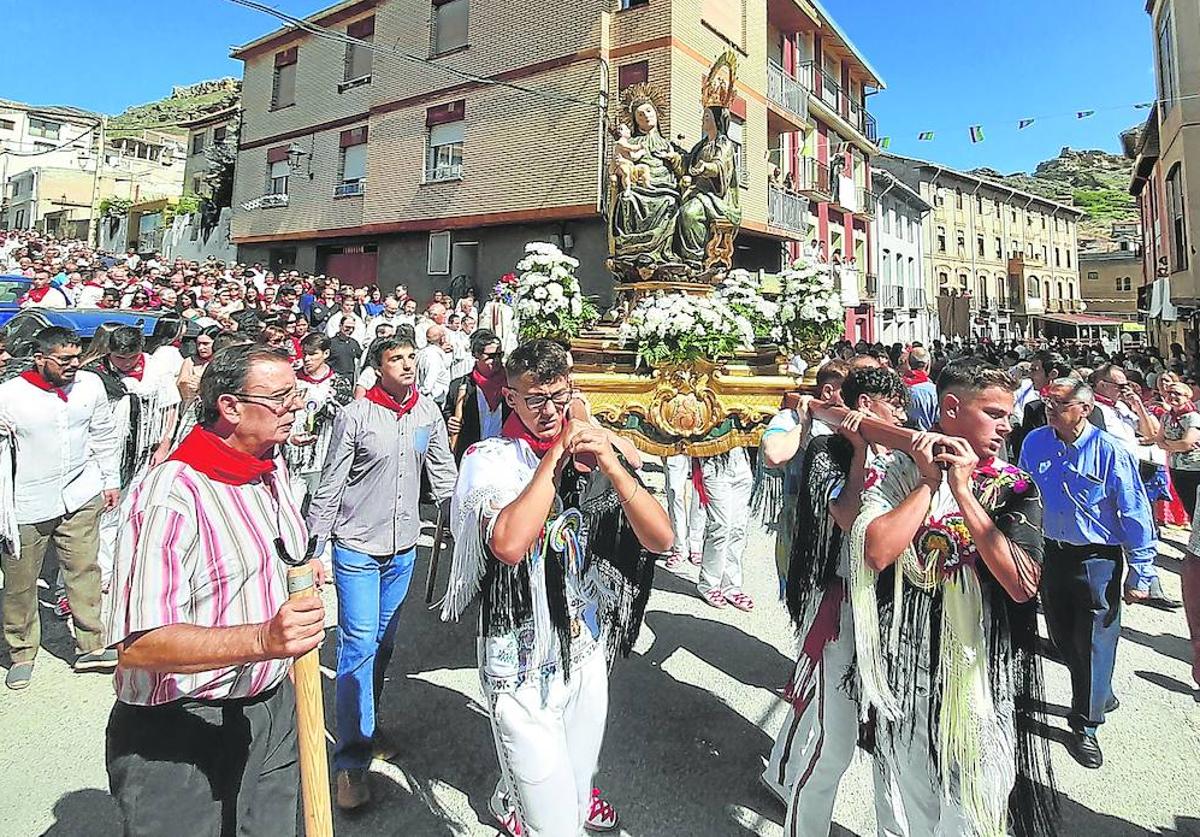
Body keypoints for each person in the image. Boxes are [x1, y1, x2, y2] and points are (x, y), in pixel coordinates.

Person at [440, 339, 672, 837]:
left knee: (577, 778)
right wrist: (554, 458)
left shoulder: (592, 449)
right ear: (512, 399)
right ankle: (521, 805)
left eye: (558, 397)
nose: (549, 411)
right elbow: (509, 543)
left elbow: (661, 538)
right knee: (555, 825)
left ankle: (530, 798)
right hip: (519, 655)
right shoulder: (489, 458)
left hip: (583, 646)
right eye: (535, 399)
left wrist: (611, 462)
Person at [105, 343, 325, 837]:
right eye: (280, 398)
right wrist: (264, 640)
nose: (296, 406)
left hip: (271, 706)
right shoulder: (169, 496)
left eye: (296, 393)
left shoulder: (271, 468)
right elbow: (138, 644)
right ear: (229, 407)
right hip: (180, 728)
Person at [852, 363, 1055, 837]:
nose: (1007, 424)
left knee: (975, 809)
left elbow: (1023, 584)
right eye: (994, 413)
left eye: (1009, 414)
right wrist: (928, 483)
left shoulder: (1015, 486)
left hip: (981, 676)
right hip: (906, 669)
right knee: (912, 805)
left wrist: (963, 493)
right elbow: (877, 552)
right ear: (950, 410)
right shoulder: (901, 470)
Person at [307, 334, 457, 810]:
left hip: (403, 549)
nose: (408, 365)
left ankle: (366, 726)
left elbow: (444, 475)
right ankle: (350, 762)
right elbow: (330, 484)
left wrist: (469, 525)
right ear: (377, 367)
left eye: (412, 357)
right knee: (357, 645)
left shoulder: (427, 413)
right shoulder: (355, 415)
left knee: (384, 645)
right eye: (397, 359)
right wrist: (314, 551)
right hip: (355, 547)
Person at [763, 369, 908, 836]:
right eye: (895, 406)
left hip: (892, 610)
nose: (903, 416)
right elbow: (846, 514)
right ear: (866, 405)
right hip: (838, 602)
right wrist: (861, 451)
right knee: (834, 741)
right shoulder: (828, 451)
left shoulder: (904, 454)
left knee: (892, 741)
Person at [1019, 379, 1157, 769]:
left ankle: (1085, 724)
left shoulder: (1110, 450)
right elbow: (1023, 493)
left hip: (1097, 559)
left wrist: (1141, 572)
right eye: (1047, 402)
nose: (1050, 409)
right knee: (1063, 638)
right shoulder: (1035, 443)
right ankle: (1099, 690)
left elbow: (1134, 512)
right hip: (1051, 555)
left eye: (1059, 403)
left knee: (1095, 640)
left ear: (1084, 407)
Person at [0, 327, 120, 689]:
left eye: (77, 357)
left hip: (80, 493)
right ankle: (21, 651)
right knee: (21, 584)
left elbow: (103, 433)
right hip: (27, 502)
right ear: (40, 358)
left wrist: (109, 479)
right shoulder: (9, 395)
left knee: (84, 570)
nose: (73, 365)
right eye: (64, 359)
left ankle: (90, 645)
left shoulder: (90, 386)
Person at [84, 326, 181, 591]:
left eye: (131, 358)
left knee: (134, 511)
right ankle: (103, 572)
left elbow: (170, 406)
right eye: (119, 358)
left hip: (143, 453)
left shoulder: (155, 371)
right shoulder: (93, 375)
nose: (125, 364)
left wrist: (164, 444)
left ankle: (126, 567)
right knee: (106, 513)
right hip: (105, 454)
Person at [760, 361, 849, 591]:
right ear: (829, 391)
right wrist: (803, 425)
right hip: (802, 527)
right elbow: (774, 455)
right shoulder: (790, 417)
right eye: (848, 391)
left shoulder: (856, 421)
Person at [286, 333, 354, 504]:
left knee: (321, 505)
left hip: (325, 453)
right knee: (292, 503)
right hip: (295, 454)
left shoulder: (338, 383)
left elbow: (347, 421)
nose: (307, 359)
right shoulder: (291, 380)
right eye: (305, 354)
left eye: (313, 354)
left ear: (326, 354)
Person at [444, 329, 508, 462]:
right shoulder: (459, 387)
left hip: (505, 456)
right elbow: (447, 412)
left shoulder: (512, 384)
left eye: (499, 355)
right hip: (472, 457)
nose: (496, 360)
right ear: (476, 355)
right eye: (490, 356)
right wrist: (450, 421)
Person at [1156, 381, 1200, 523]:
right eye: (1169, 393)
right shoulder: (1166, 417)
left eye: (1177, 393)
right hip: (1175, 466)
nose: (1172, 396)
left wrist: (1168, 444)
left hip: (1194, 467)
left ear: (1187, 397)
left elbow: (1187, 443)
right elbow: (1159, 440)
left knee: (1195, 506)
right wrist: (1175, 445)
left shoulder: (1193, 417)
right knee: (1187, 504)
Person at [902, 346, 939, 430]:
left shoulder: (898, 386)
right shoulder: (934, 391)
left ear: (908, 363)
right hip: (927, 438)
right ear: (927, 364)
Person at [416, 323, 453, 407]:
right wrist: (424, 394)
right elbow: (429, 380)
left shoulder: (424, 352)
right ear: (442, 338)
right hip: (433, 398)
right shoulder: (433, 356)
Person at [328, 315, 364, 379]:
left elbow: (362, 357)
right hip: (334, 377)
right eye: (347, 327)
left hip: (350, 378)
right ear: (340, 326)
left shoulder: (354, 343)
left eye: (353, 328)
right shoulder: (330, 343)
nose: (350, 330)